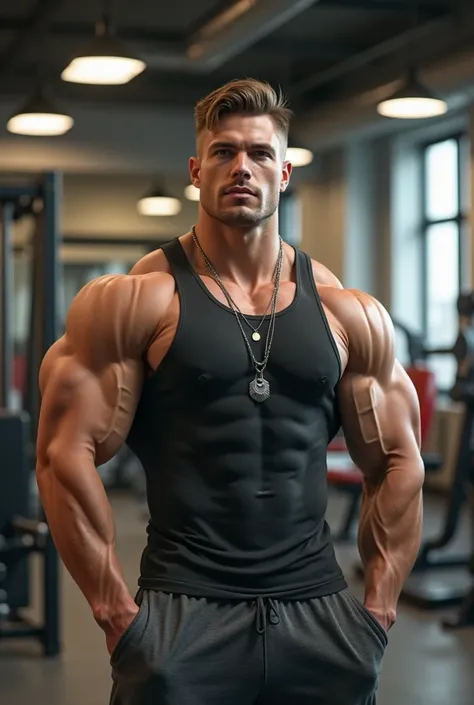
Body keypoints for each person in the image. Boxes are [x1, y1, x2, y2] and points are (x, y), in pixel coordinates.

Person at [36, 78, 424, 705]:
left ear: (286, 171)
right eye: (223, 152)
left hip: (320, 610)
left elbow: (400, 456)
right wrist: (116, 614)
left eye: (260, 153)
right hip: (182, 613)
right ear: (196, 170)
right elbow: (61, 453)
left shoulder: (345, 311)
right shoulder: (136, 301)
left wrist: (376, 610)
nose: (241, 166)